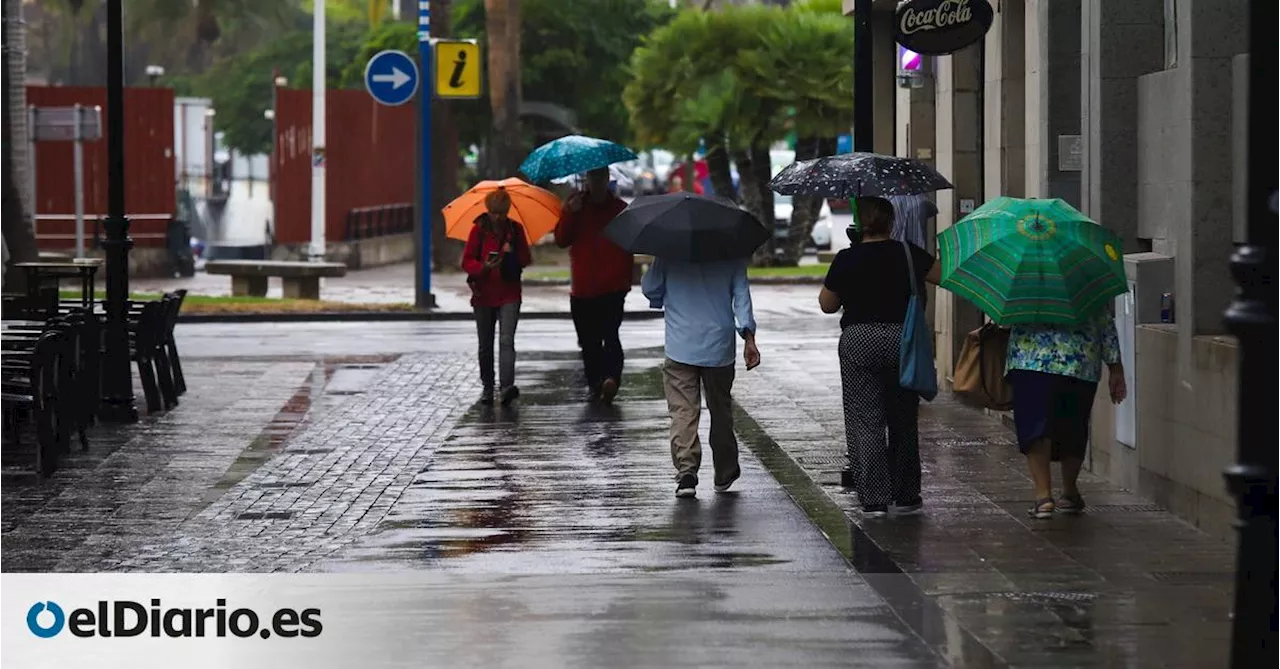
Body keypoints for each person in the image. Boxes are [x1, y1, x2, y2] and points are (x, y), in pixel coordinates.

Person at [818, 196, 941, 518]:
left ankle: (873, 498)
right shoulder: (907, 253)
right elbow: (942, 276)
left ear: (860, 225)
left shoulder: (846, 258)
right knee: (903, 418)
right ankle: (906, 494)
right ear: (890, 223)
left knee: (866, 420)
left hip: (859, 340)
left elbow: (827, 305)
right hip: (902, 339)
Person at [643, 256, 760, 499]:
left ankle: (687, 472)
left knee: (683, 411)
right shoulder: (730, 251)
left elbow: (650, 288)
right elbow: (742, 298)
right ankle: (724, 471)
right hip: (719, 346)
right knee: (720, 409)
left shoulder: (669, 250)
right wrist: (749, 337)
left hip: (680, 345)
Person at [1007, 314, 1126, 518]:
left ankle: (1043, 496)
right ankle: (1070, 491)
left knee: (1034, 424)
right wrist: (1115, 366)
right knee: (1073, 425)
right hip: (1078, 359)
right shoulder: (1086, 281)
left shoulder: (1021, 282)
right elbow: (1103, 320)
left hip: (1030, 358)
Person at [555, 167, 633, 403]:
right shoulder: (575, 206)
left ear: (608, 179)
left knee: (610, 335)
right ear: (586, 179)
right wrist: (570, 213)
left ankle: (611, 378)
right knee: (588, 341)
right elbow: (561, 239)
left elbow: (630, 243)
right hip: (583, 288)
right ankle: (594, 383)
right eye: (593, 177)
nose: (597, 182)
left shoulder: (619, 209)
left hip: (612, 286)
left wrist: (624, 280)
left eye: (601, 177)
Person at [461, 188, 532, 406]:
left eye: (502, 212)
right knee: (485, 344)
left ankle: (506, 387)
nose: (498, 217)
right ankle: (487, 387)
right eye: (494, 212)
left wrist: (512, 253)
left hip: (509, 293)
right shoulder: (478, 231)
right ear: (488, 210)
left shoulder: (515, 230)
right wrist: (483, 267)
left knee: (506, 341)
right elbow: (467, 262)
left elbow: (526, 259)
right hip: (484, 294)